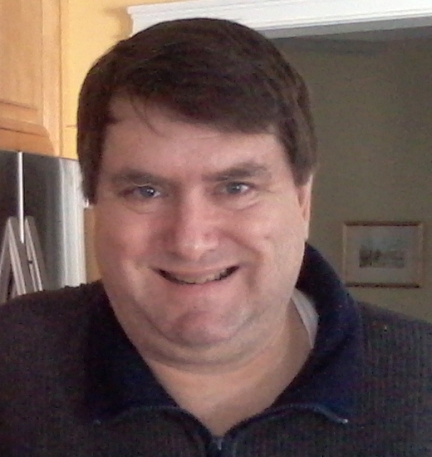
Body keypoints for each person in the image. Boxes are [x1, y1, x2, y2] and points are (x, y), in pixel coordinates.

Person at [1, 17, 431, 457]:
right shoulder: (13, 362)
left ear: (302, 202)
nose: (191, 242)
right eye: (146, 191)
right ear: (95, 205)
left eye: (236, 188)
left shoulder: (421, 383)